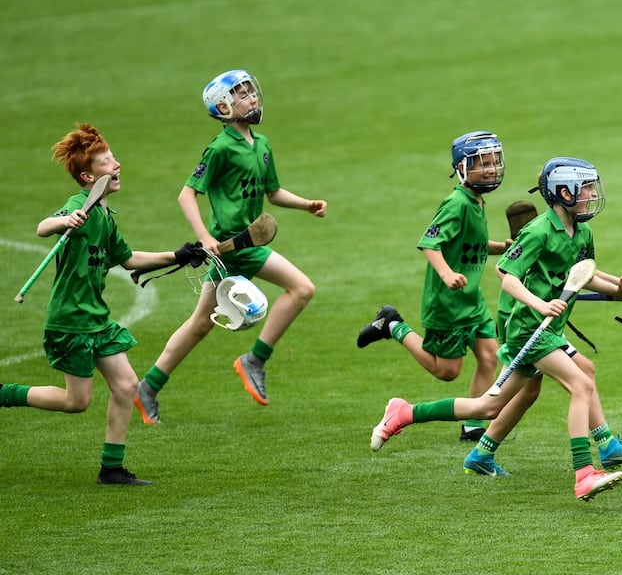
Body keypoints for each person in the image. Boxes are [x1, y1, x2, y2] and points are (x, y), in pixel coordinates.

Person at [370, 157, 622, 501]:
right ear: (564, 192)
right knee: (581, 383)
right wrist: (539, 303)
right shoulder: (537, 232)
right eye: (586, 188)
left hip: (548, 327)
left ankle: (407, 413)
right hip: (528, 328)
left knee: (488, 407)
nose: (593, 194)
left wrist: (620, 291)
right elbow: (507, 276)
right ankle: (585, 472)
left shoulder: (583, 231)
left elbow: (584, 274)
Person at [0, 123, 205, 484]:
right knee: (76, 402)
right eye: (107, 162)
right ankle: (4, 394)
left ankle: (112, 469)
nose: (116, 165)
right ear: (87, 175)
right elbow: (42, 227)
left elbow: (128, 260)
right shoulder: (80, 206)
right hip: (70, 320)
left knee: (127, 386)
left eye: (113, 159)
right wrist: (65, 220)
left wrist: (178, 254)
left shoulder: (106, 219)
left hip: (96, 318)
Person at [134, 69, 328, 424]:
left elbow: (273, 192)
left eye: (251, 91)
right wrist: (205, 238)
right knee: (200, 324)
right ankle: (147, 388)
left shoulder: (262, 144)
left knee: (301, 289)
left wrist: (306, 204)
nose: (251, 98)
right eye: (241, 94)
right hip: (227, 250)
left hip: (249, 243)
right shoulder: (221, 147)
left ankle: (253, 360)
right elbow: (187, 193)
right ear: (223, 106)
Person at [356, 131, 511, 442]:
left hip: (473, 300)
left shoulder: (477, 201)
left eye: (495, 161)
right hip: (448, 303)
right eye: (484, 163)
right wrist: (446, 275)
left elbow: (471, 243)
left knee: (490, 357)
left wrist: (499, 247)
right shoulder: (457, 203)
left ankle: (473, 426)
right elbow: (430, 243)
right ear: (463, 168)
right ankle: (393, 325)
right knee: (447, 372)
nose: (492, 168)